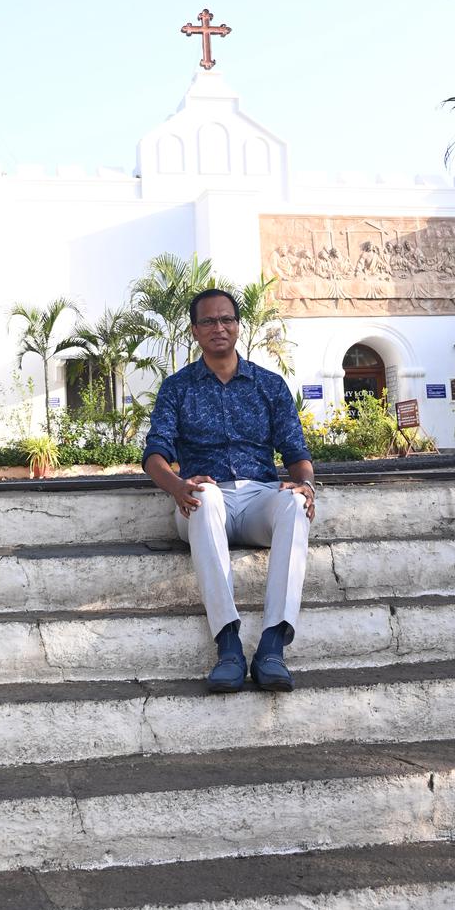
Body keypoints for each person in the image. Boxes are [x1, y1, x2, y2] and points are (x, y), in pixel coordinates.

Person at [142, 287, 315, 693]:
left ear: (237, 326)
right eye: (209, 321)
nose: (219, 327)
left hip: (259, 501)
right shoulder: (178, 387)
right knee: (207, 496)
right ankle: (229, 645)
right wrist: (177, 486)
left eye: (227, 320)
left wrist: (306, 485)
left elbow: (296, 451)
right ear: (195, 331)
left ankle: (273, 644)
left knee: (293, 500)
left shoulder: (269, 386)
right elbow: (155, 454)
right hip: (202, 503)